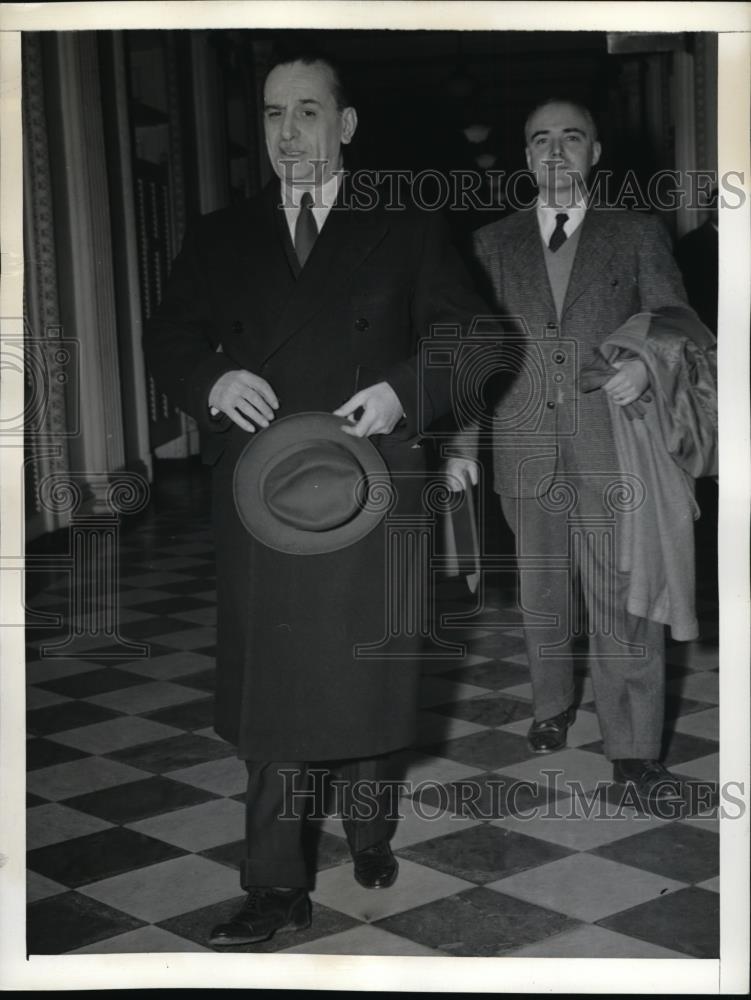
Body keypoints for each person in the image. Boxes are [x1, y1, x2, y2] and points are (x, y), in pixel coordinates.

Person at [144, 53, 486, 948]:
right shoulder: (221, 236)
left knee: (366, 677)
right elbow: (170, 334)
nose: (286, 133)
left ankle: (369, 827)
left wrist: (406, 390)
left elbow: (479, 338)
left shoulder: (406, 225)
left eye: (306, 112)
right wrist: (213, 381)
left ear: (346, 126)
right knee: (278, 691)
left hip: (372, 488)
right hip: (266, 495)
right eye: (271, 115)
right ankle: (274, 886)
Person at [446, 98, 695, 803]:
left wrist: (644, 366)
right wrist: (461, 445)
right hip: (522, 447)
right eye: (539, 141)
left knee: (622, 598)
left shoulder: (635, 233)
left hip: (611, 446)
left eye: (570, 139)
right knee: (542, 595)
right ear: (525, 157)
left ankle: (633, 747)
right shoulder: (490, 244)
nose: (554, 153)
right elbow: (471, 355)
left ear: (594, 153)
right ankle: (550, 704)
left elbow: (677, 322)